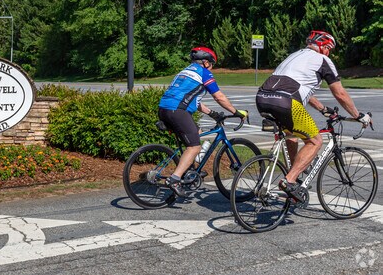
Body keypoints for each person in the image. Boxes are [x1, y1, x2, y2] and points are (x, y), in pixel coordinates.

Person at [256, 30, 373, 202]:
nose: (329, 53)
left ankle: (292, 174)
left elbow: (302, 88)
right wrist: (358, 115)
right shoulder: (323, 60)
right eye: (329, 49)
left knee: (292, 135)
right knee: (315, 141)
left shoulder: (295, 56)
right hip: (286, 102)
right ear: (324, 46)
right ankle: (289, 180)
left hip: (263, 98)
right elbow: (340, 93)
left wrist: (322, 108)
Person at [158, 46, 248, 198]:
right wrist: (236, 112)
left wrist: (212, 113)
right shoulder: (204, 73)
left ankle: (190, 170)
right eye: (212, 64)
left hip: (164, 109)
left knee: (197, 133)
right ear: (206, 62)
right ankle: (174, 179)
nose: (212, 67)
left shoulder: (185, 72)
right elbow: (219, 97)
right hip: (177, 111)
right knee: (194, 146)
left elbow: (193, 100)